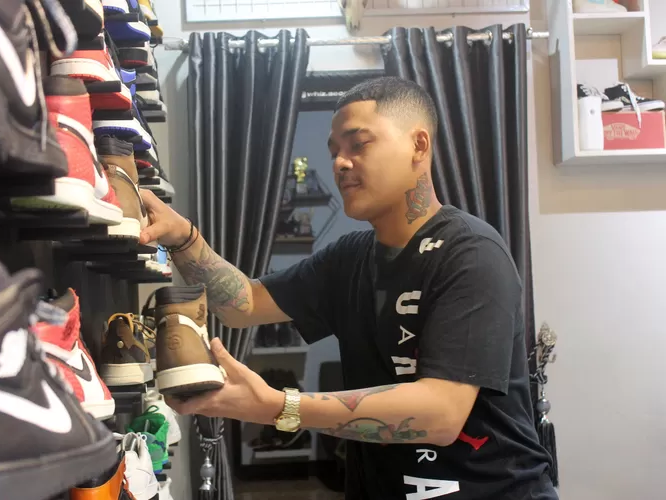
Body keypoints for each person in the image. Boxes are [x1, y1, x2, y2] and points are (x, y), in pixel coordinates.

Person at [139, 76, 558, 500]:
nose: (340, 163)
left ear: (418, 145)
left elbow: (441, 414)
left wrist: (278, 407)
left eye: (359, 144)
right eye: (334, 152)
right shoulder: (349, 258)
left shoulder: (470, 252)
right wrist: (183, 239)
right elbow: (243, 304)